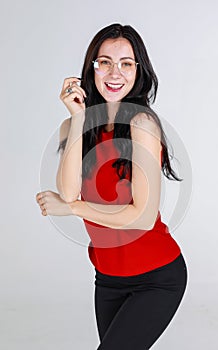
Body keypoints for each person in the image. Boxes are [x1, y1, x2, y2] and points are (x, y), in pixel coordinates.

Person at [36, 23, 188, 350]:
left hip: (157, 278)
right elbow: (68, 191)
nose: (114, 72)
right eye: (104, 62)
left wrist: (72, 209)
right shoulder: (73, 126)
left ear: (138, 71)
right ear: (91, 69)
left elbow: (143, 217)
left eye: (126, 63)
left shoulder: (141, 124)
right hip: (107, 278)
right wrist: (77, 118)